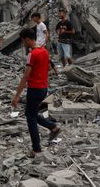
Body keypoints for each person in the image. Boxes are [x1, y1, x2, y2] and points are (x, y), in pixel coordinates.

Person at [11, 27, 61, 158]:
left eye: (23, 41)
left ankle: (36, 149)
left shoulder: (32, 54)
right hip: (43, 88)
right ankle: (53, 127)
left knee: (31, 118)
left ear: (27, 39)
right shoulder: (44, 51)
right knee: (30, 113)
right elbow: (49, 68)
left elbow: (25, 76)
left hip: (34, 89)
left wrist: (16, 96)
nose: (23, 44)